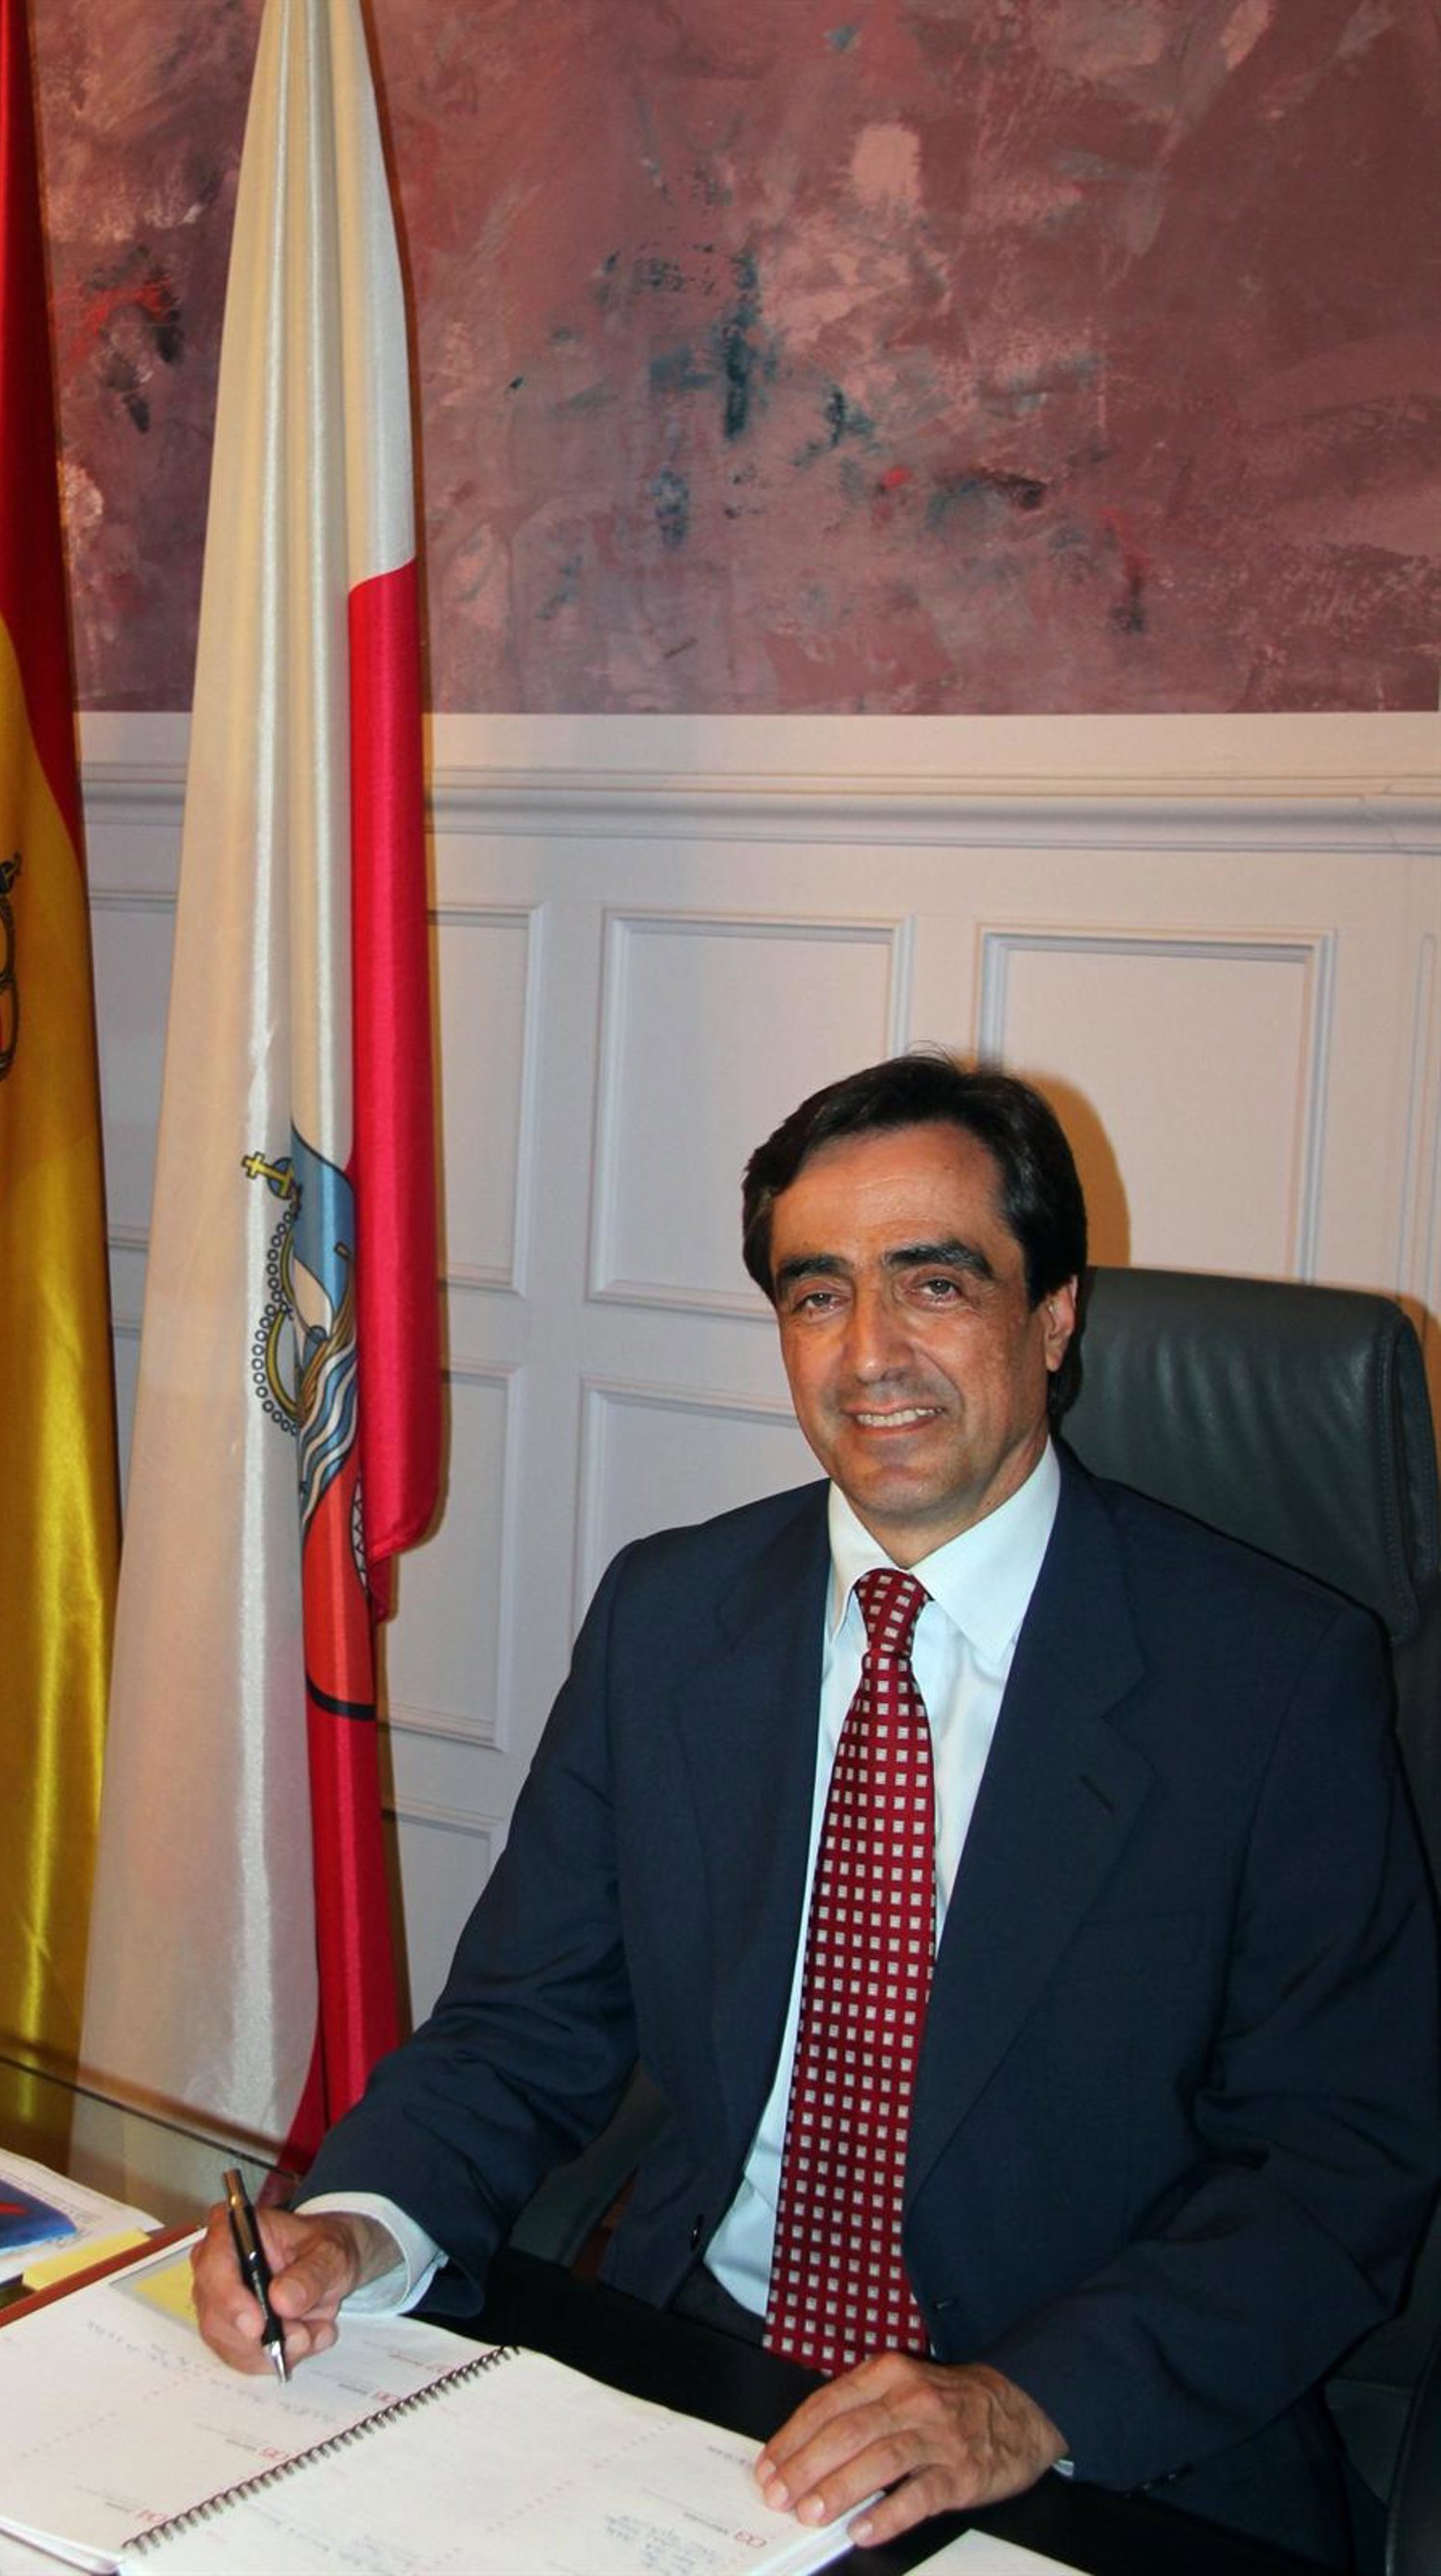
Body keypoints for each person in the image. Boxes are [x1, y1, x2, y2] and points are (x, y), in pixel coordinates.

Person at [191, 1052, 1440, 2565]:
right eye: (817, 1295)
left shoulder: (1269, 1678)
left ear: (1053, 1315)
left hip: (1085, 2449)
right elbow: (521, 2027)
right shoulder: (670, 1618)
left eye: (935, 1284)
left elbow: (1339, 2162)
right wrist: (359, 2227)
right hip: (705, 2388)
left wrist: (1026, 2402)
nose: (869, 1356)